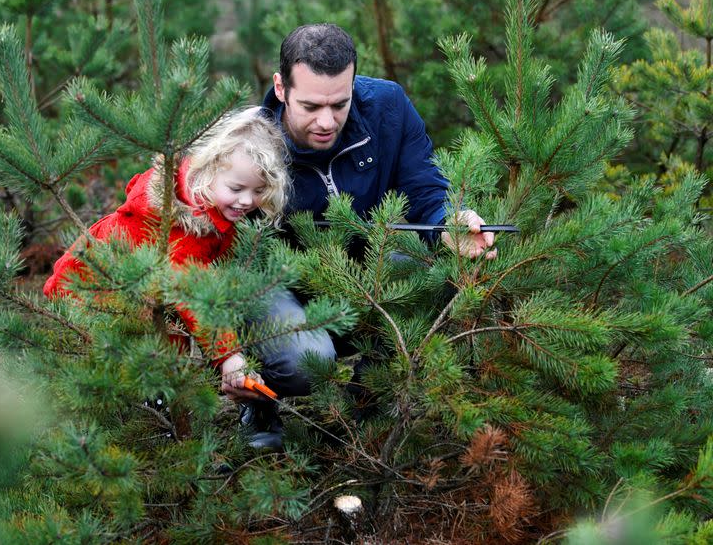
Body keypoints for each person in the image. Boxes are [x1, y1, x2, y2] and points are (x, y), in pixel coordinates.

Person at [228, 23, 500, 443]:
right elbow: (225, 250)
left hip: (366, 271)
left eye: (340, 103)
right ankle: (262, 405)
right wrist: (229, 352)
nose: (327, 120)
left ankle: (365, 398)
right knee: (306, 361)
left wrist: (450, 224)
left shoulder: (387, 107)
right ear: (281, 88)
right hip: (281, 285)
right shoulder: (249, 142)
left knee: (437, 267)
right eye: (311, 105)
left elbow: (425, 187)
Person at [43, 107, 292, 408]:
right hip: (94, 293)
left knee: (162, 345)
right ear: (206, 171)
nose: (247, 201)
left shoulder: (203, 202)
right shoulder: (184, 228)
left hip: (143, 297)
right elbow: (192, 295)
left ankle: (154, 405)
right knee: (136, 363)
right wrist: (228, 356)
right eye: (237, 188)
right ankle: (140, 411)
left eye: (259, 191)